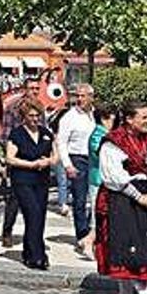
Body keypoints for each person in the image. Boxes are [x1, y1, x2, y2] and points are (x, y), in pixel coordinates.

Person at [94, 101, 147, 294]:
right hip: (121, 200)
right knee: (128, 250)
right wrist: (139, 197)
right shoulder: (113, 142)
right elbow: (113, 177)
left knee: (141, 247)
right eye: (143, 117)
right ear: (129, 119)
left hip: (146, 195)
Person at [5, 98, 57, 270]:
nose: (35, 119)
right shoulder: (17, 134)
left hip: (41, 181)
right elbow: (10, 158)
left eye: (37, 116)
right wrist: (31, 164)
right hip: (23, 180)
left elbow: (56, 156)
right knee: (33, 213)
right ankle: (38, 255)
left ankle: (29, 252)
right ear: (24, 117)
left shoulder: (46, 133)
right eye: (31, 116)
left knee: (39, 217)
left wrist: (48, 161)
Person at [56, 84, 96, 254]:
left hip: (94, 159)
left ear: (91, 97)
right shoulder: (69, 117)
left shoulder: (95, 115)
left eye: (83, 96)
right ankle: (82, 235)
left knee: (94, 199)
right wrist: (67, 164)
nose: (80, 99)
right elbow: (61, 142)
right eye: (77, 96)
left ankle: (91, 232)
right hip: (77, 158)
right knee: (79, 200)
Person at [83, 103, 115, 258]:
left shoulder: (104, 133)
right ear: (104, 118)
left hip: (105, 180)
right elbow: (100, 153)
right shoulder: (98, 134)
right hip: (98, 180)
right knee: (98, 215)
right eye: (111, 117)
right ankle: (89, 242)